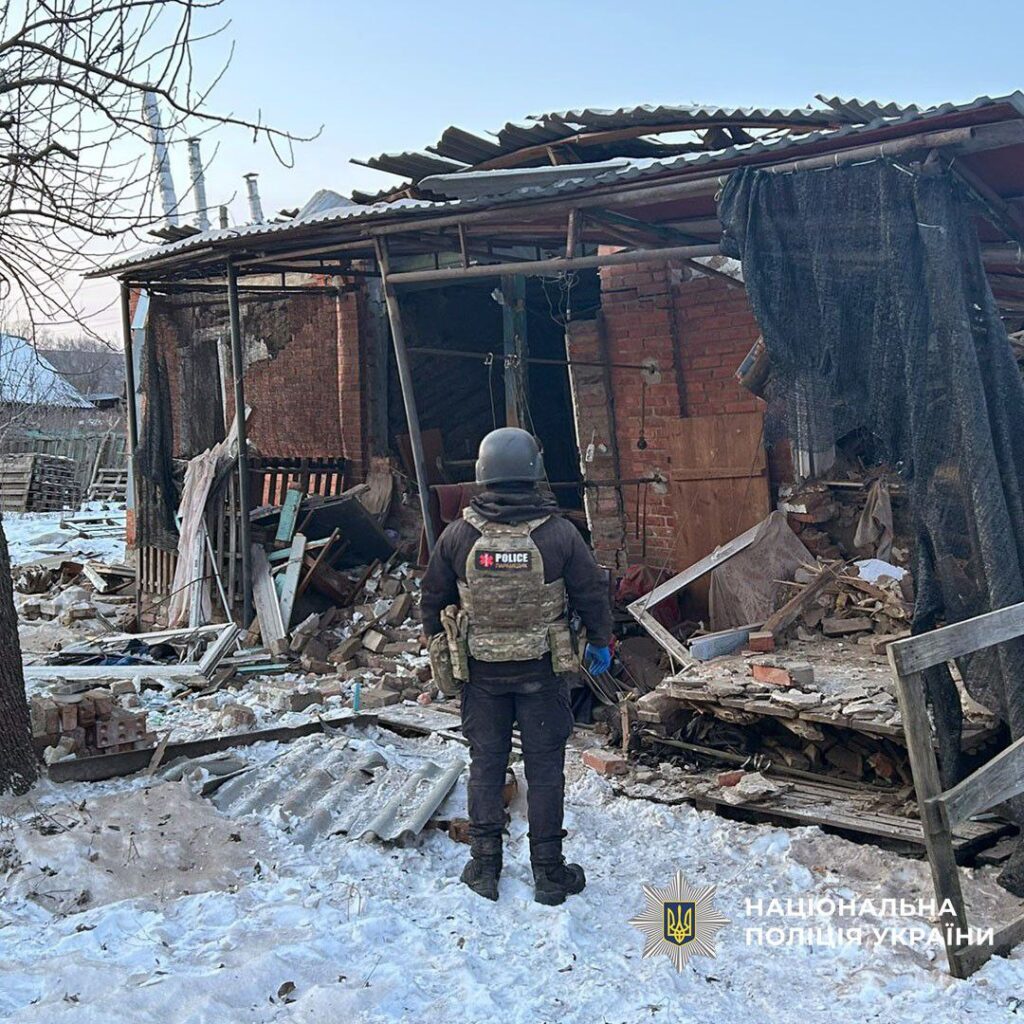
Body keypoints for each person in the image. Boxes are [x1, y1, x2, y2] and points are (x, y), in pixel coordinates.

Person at [421, 427, 612, 905]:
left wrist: (440, 643)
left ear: (483, 473)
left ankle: (484, 867)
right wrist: (600, 641)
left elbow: (432, 598)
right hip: (543, 674)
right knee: (545, 771)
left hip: (481, 676)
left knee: (486, 765)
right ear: (534, 471)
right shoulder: (559, 534)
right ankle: (549, 873)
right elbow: (590, 592)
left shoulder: (458, 535)